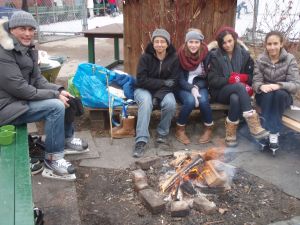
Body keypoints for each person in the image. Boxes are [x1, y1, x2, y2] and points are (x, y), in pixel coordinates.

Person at [0, 11, 89, 180]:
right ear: (12, 29)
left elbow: (38, 80)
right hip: (6, 108)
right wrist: (54, 95)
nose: (27, 33)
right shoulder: (3, 53)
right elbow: (20, 88)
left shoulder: (26, 49)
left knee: (66, 97)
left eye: (31, 29)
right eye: (22, 29)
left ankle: (66, 139)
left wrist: (59, 90)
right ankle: (53, 158)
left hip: (19, 101)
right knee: (55, 106)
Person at [207, 26, 269, 147]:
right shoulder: (215, 56)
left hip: (238, 93)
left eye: (230, 41)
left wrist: (243, 77)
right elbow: (212, 80)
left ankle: (231, 134)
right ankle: (254, 125)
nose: (227, 45)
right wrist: (230, 80)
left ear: (235, 39)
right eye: (224, 43)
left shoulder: (244, 55)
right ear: (220, 44)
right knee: (239, 87)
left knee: (235, 97)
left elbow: (252, 77)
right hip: (219, 92)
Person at [133, 28, 179, 158]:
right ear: (153, 43)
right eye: (156, 41)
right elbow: (141, 80)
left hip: (164, 91)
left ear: (167, 43)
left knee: (170, 103)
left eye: (162, 41)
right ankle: (141, 140)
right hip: (143, 89)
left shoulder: (174, 59)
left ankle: (162, 133)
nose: (159, 44)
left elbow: (174, 81)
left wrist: (158, 96)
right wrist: (163, 83)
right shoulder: (145, 58)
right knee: (146, 102)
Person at [252, 31, 300, 152]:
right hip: (264, 95)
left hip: (283, 95)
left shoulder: (290, 59)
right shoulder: (261, 59)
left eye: (275, 43)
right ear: (265, 45)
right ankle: (267, 131)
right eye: (269, 44)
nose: (272, 47)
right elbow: (256, 81)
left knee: (278, 94)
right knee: (268, 96)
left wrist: (278, 85)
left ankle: (272, 132)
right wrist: (261, 86)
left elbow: (295, 84)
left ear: (281, 44)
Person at [175, 28, 214, 145]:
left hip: (200, 85)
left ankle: (208, 128)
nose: (193, 45)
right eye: (190, 42)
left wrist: (196, 86)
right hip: (183, 86)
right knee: (190, 101)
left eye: (196, 42)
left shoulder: (207, 55)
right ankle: (180, 129)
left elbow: (208, 78)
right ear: (186, 42)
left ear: (200, 43)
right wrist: (191, 88)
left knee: (203, 101)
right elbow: (179, 79)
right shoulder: (180, 55)